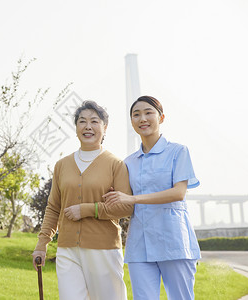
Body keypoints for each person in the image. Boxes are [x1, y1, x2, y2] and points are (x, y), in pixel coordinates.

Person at [32, 100, 134, 300]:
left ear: (104, 128)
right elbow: (54, 208)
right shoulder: (62, 165)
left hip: (104, 249)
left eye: (94, 121)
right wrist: (41, 244)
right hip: (67, 249)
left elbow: (126, 207)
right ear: (76, 127)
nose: (88, 126)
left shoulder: (116, 164)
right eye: (82, 121)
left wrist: (89, 209)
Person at [103, 95, 201, 300]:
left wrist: (133, 199)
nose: (142, 118)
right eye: (136, 115)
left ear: (161, 117)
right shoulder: (128, 162)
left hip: (174, 241)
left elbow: (178, 193)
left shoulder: (177, 152)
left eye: (148, 113)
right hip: (140, 245)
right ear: (132, 122)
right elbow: (122, 199)